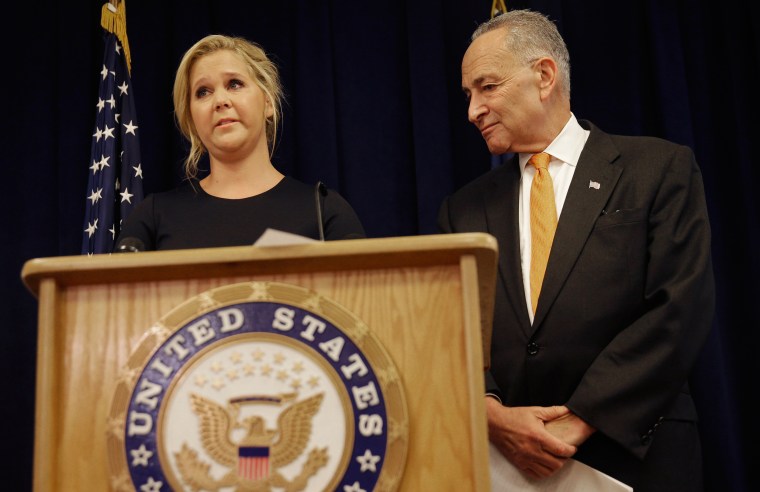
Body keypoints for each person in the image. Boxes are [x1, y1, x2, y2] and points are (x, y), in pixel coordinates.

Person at [437, 9, 714, 491]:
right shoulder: (462, 209)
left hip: (635, 451)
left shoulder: (657, 169)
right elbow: (449, 329)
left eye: (487, 87)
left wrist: (582, 417)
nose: (472, 110)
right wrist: (490, 412)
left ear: (543, 75)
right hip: (507, 462)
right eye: (468, 95)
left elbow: (680, 307)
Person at [117, 34, 365, 250]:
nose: (220, 101)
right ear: (192, 118)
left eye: (234, 84)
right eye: (203, 91)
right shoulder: (151, 219)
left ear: (268, 102)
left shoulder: (324, 212)